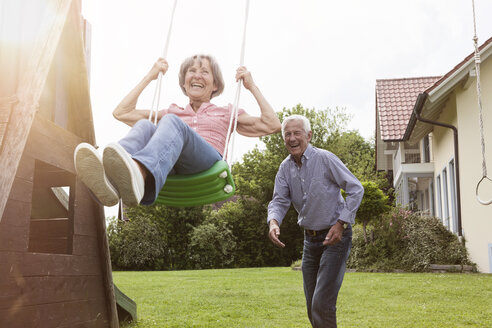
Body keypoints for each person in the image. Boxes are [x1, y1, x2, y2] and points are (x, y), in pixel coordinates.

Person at [74, 54, 281, 207]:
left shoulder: (226, 111)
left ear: (215, 85)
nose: (196, 75)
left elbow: (272, 125)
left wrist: (251, 86)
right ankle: (108, 179)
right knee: (146, 125)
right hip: (169, 164)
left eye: (204, 71)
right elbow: (122, 112)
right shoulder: (173, 113)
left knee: (170, 121)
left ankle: (137, 171)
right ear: (184, 82)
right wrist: (150, 76)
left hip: (206, 163)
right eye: (192, 71)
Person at [267, 114, 364, 328]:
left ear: (309, 135)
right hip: (310, 241)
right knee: (312, 305)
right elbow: (279, 200)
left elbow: (356, 188)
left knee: (322, 303)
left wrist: (341, 223)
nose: (292, 138)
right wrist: (273, 221)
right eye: (287, 134)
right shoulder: (284, 168)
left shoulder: (325, 159)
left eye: (297, 133)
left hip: (335, 238)